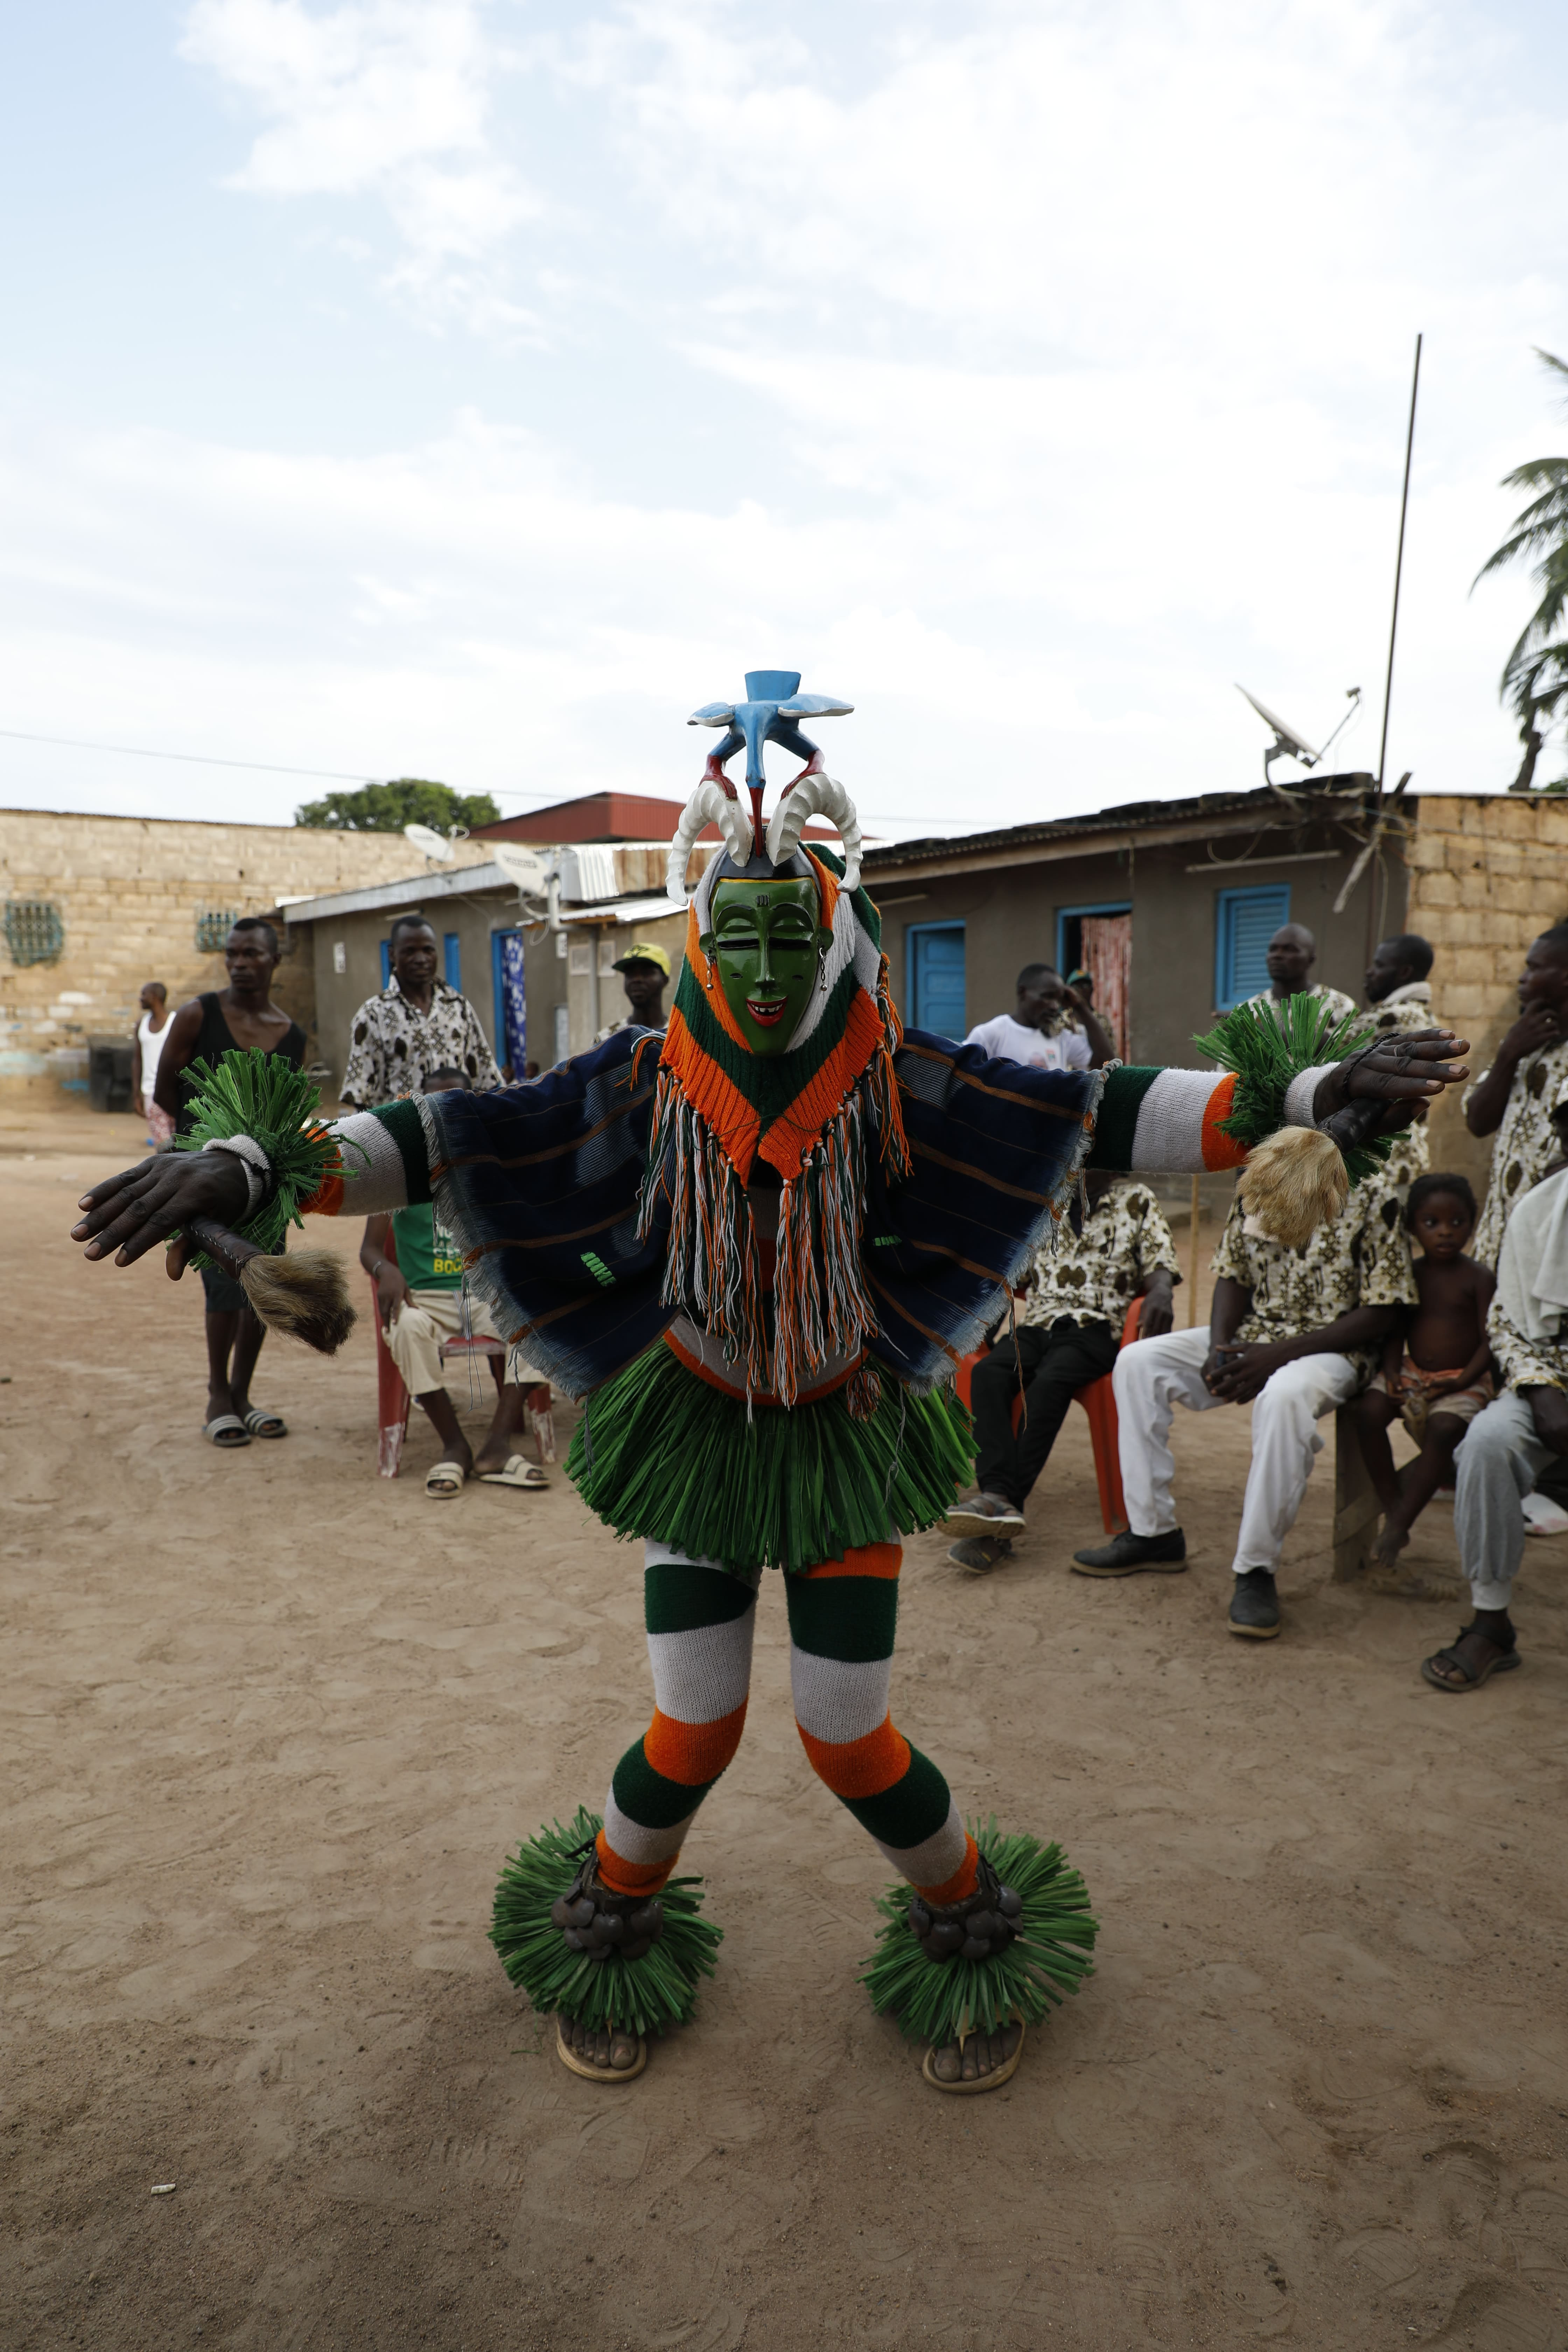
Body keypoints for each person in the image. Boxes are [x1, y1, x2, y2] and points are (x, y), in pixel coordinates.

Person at [72, 690, 1465, 2097]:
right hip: (695, 1432)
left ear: (831, 933)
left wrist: (1313, 1089)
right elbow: (451, 1134)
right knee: (692, 1728)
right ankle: (611, 1923)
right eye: (727, 930)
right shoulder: (638, 1080)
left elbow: (1095, 1109)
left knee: (846, 1732)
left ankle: (967, 1921)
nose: (751, 957)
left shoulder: (904, 1078)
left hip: (848, 1429)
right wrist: (251, 1167)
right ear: (692, 939)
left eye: (781, 930)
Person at [1071, 1174, 1418, 1637]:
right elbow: (1232, 1277)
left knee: (1283, 1396)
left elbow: (1384, 1311)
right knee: (1138, 1362)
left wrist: (1276, 1356)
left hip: (1336, 1353)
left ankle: (1256, 1570)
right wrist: (1219, 1348)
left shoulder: (1375, 1195)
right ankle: (1154, 1535)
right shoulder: (1261, 1183)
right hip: (1256, 1336)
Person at [946, 1176, 1180, 1573]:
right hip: (1037, 1325)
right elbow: (1009, 1278)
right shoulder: (1044, 1202)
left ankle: (998, 1508)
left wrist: (1161, 1291)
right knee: (989, 1373)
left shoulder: (1136, 1200)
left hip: (1096, 1328)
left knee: (1050, 1384)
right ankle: (1000, 1498)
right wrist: (978, 1331)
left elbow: (1160, 1262)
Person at [360, 1066, 551, 1498]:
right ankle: (455, 1446)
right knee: (407, 1328)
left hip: (481, 1295)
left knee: (538, 1321)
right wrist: (384, 1269)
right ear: (418, 1109)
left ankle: (497, 1446)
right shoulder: (398, 1174)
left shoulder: (487, 1165)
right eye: (433, 1105)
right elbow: (369, 1249)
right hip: (424, 1297)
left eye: (456, 1104)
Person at [153, 918, 307, 1448]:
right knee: (222, 1284)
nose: (241, 963)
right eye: (233, 954)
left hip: (267, 1184)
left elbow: (286, 1113)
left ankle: (244, 1394)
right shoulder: (199, 1014)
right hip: (206, 1181)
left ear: (274, 961)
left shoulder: (292, 1034)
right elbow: (166, 1091)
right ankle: (218, 1396)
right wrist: (201, 1152)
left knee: (261, 1285)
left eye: (252, 955)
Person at [1418, 1151, 1568, 1693]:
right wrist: (1539, 1388)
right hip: (1550, 1382)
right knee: (1485, 1442)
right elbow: (1505, 1321)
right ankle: (1491, 1621)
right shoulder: (1537, 1212)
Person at [1350, 1174, 1494, 1572]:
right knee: (1369, 1413)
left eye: (1457, 1222)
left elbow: (1491, 1341)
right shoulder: (1410, 1273)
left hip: (1465, 1377)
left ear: (1472, 1221)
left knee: (1445, 1428)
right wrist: (1393, 1371)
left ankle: (1398, 1524)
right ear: (1412, 1226)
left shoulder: (1478, 1277)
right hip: (1413, 1371)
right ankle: (1394, 1505)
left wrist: (1465, 1380)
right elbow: (1398, 1328)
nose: (1445, 1232)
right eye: (1431, 1224)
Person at [1463, 923, 1568, 1267]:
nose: (1522, 979)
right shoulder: (1525, 1043)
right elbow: (1477, 1122)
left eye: (1535, 968)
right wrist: (1509, 1055)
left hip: (1550, 1250)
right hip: (1498, 1243)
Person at [339, 914, 501, 1107]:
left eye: (428, 950)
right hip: (403, 1132)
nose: (421, 959)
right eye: (410, 951)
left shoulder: (458, 1007)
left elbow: (487, 1079)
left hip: (458, 1127)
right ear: (392, 954)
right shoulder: (373, 1015)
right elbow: (362, 1094)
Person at [1364, 933, 1438, 1183]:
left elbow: (1333, 1049)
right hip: (1403, 1159)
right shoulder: (1422, 1015)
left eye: (1380, 965)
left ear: (1404, 972)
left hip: (1386, 1161)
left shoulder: (1397, 1017)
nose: (1369, 972)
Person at [966, 962, 1114, 1072]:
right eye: (1048, 997)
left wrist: (1080, 1006)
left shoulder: (1060, 1038)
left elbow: (1106, 1063)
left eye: (1058, 1000)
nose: (1055, 1006)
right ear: (1022, 992)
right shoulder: (992, 1034)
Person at [1247, 923, 1359, 1027]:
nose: (1277, 955)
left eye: (1290, 950)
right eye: (1273, 949)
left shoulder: (1339, 1006)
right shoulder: (1249, 1010)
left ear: (1311, 960)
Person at [594, 942, 672, 1042]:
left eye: (646, 973)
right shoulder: (606, 1039)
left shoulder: (682, 1036)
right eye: (630, 974)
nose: (637, 979)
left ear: (664, 980)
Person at [131, 981, 174, 1148]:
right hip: (151, 1092)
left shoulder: (175, 1022)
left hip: (175, 1090)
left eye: (144, 994)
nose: (141, 999)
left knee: (183, 1143)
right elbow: (137, 1060)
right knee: (164, 1146)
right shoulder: (141, 1024)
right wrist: (137, 1095)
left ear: (155, 997)